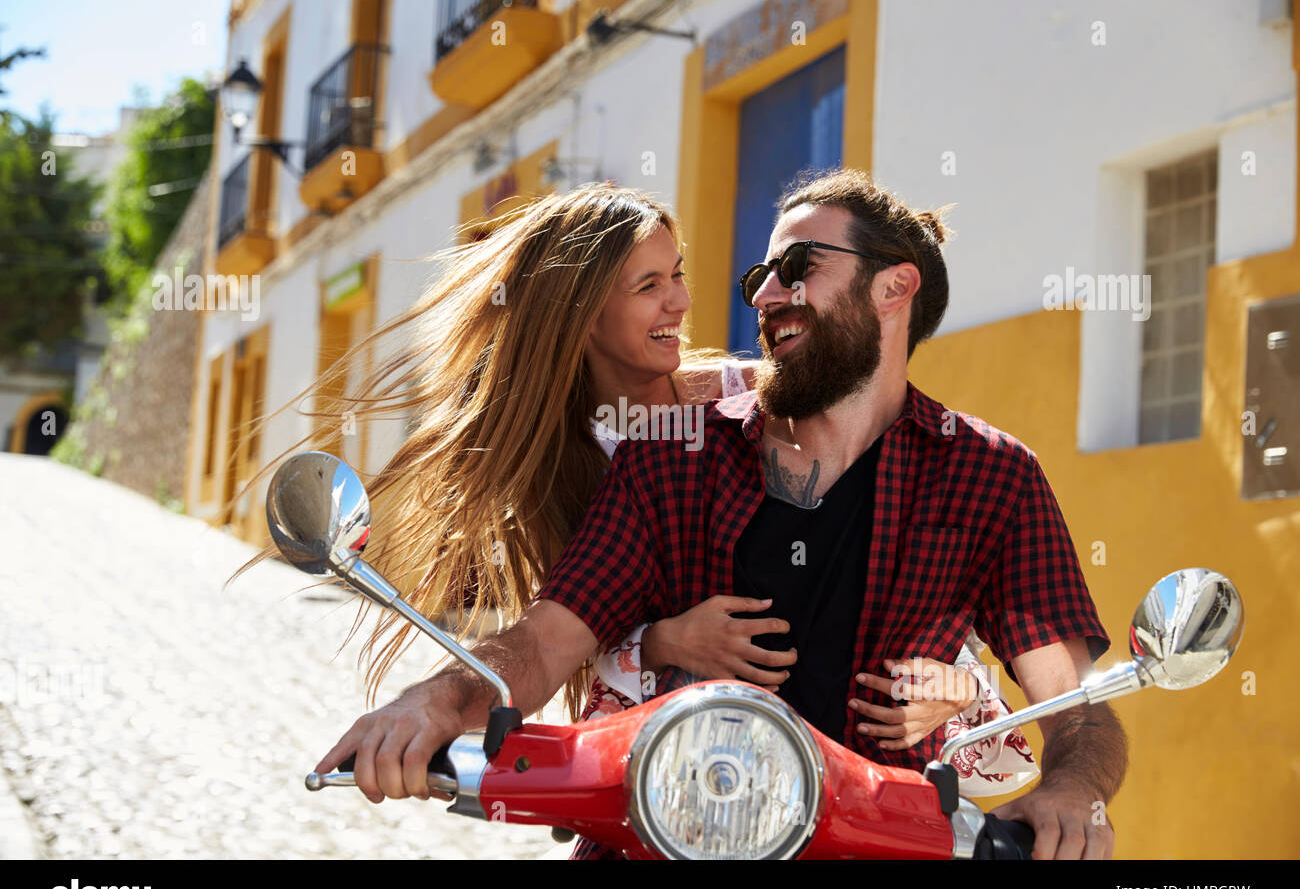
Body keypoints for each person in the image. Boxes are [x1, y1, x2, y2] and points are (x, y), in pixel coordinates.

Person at [250, 184, 1005, 771]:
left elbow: (898, 564)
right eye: (649, 285)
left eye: (676, 276)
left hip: (842, 758)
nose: (681, 300)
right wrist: (660, 641)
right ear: (581, 313)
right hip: (667, 763)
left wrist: (957, 686)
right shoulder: (561, 464)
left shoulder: (752, 393)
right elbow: (552, 641)